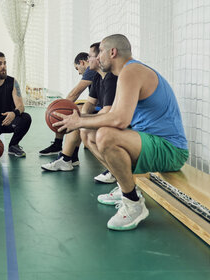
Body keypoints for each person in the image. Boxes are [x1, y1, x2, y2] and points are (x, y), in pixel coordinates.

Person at [54, 34, 188, 231]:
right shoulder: (125, 73)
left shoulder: (131, 71)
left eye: (100, 52)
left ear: (113, 52)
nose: (98, 57)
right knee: (90, 134)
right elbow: (113, 115)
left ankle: (133, 203)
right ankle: (124, 186)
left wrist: (81, 120)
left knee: (105, 135)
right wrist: (77, 122)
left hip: (171, 149)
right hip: (150, 142)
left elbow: (119, 120)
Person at [41, 43, 117, 172]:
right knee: (77, 113)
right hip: (102, 112)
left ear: (99, 57)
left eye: (90, 57)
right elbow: (91, 102)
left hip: (115, 118)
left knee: (79, 119)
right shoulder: (98, 77)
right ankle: (67, 158)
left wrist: (81, 119)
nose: (88, 60)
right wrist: (80, 116)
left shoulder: (110, 78)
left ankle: (114, 170)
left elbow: (108, 111)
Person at [39, 52, 97, 157]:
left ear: (82, 62)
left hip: (105, 108)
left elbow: (75, 93)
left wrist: (57, 110)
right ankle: (66, 150)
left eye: (77, 68)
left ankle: (68, 152)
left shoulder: (91, 69)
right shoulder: (97, 70)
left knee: (71, 111)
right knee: (75, 108)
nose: (79, 73)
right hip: (99, 104)